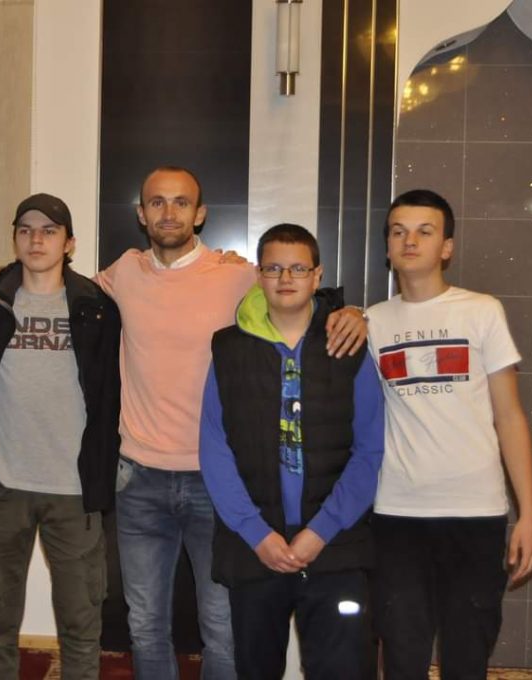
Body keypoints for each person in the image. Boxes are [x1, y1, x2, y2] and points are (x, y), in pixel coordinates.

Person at [0, 166, 367, 678]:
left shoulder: (237, 275)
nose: (168, 212)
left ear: (200, 214)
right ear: (141, 214)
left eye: (180, 202)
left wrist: (349, 312)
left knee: (220, 626)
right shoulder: (122, 274)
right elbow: (50, 275)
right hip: (138, 481)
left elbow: (296, 291)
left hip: (214, 482)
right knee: (145, 625)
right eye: (157, 202)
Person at [366, 189, 532, 679]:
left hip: (475, 513)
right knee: (402, 657)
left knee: (467, 658)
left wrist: (529, 512)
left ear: (446, 247)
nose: (410, 241)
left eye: (425, 231)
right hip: (397, 514)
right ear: (387, 246)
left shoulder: (481, 311)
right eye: (398, 231)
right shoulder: (373, 322)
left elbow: (509, 416)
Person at [199, 223, 384, 679]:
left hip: (336, 549)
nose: (286, 278)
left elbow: (370, 451)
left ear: (317, 275)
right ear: (259, 275)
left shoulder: (348, 346)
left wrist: (320, 531)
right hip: (255, 550)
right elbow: (214, 447)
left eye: (298, 268)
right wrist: (256, 533)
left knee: (344, 670)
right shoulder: (229, 349)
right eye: (274, 268)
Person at [0, 194, 121, 679]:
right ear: (14, 240)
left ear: (69, 243)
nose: (36, 239)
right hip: (1, 485)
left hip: (74, 490)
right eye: (25, 230)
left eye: (49, 231)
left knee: (81, 625)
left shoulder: (96, 308)